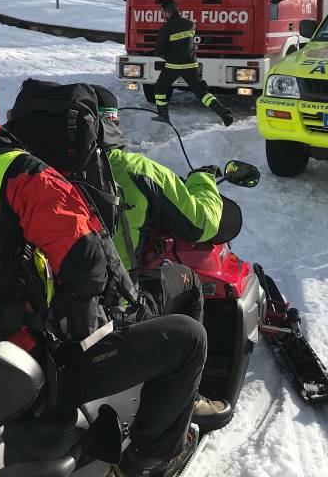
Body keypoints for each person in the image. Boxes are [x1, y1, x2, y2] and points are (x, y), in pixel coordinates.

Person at [0, 62, 206, 477]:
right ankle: (152, 458)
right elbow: (88, 265)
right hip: (15, 359)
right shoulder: (20, 173)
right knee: (188, 338)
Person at [92, 85, 233, 428]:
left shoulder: (37, 168)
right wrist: (203, 181)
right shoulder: (135, 169)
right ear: (112, 123)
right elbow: (202, 223)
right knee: (187, 282)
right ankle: (184, 402)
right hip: (117, 308)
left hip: (52, 308)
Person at [152, 0, 233, 126]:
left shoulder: (166, 28)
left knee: (159, 88)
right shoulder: (191, 24)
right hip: (192, 65)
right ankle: (223, 112)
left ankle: (163, 115)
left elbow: (159, 51)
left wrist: (165, 56)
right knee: (201, 92)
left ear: (165, 12)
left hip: (174, 65)